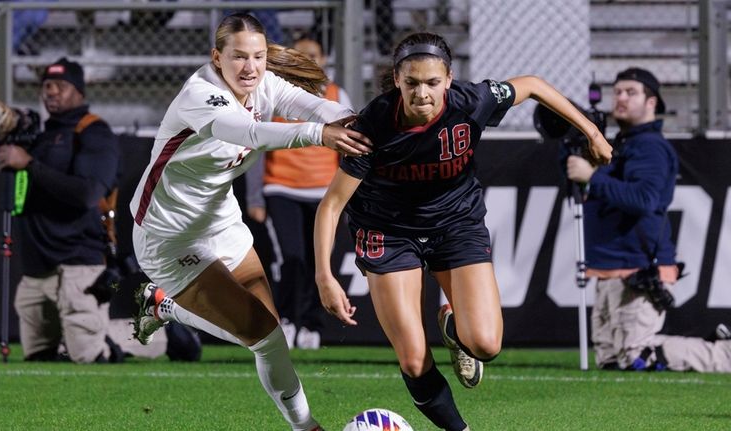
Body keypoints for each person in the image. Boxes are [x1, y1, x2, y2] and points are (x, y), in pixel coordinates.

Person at [313, 32, 612, 431]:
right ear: (397, 81)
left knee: (486, 345)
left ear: (449, 79)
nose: (423, 93)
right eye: (413, 83)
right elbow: (332, 204)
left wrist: (591, 132)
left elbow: (535, 85)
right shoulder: (374, 126)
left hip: (456, 224)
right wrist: (325, 276)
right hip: (389, 231)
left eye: (433, 82)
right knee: (414, 357)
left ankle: (454, 327)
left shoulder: (473, 101)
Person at [128, 13, 370, 431]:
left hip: (222, 222)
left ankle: (163, 305)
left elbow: (312, 102)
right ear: (216, 57)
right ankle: (306, 427)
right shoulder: (201, 93)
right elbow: (250, 133)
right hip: (168, 237)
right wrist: (320, 134)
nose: (251, 67)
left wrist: (352, 119)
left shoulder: (262, 85)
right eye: (239, 57)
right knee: (265, 335)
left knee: (268, 333)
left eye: (258, 56)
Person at [566, 67, 731, 373]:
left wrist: (592, 177)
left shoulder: (650, 147)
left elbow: (645, 200)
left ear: (652, 102)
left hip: (638, 265)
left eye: (631, 92)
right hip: (611, 266)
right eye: (617, 92)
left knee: (637, 355)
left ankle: (724, 354)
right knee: (610, 360)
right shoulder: (625, 144)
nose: (621, 98)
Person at [0, 57, 121, 363]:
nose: (51, 91)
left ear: (79, 92)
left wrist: (28, 164)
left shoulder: (94, 133)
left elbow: (87, 194)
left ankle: (156, 337)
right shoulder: (38, 136)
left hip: (78, 262)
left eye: (61, 86)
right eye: (46, 85)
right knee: (38, 356)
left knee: (88, 355)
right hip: (38, 266)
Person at [245, 37, 353, 350]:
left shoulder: (335, 93)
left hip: (324, 193)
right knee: (291, 259)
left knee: (318, 262)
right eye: (302, 55)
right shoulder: (274, 93)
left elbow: (348, 147)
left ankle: (311, 324)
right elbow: (257, 142)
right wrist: (255, 197)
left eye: (314, 55)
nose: (309, 60)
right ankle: (288, 320)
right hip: (282, 188)